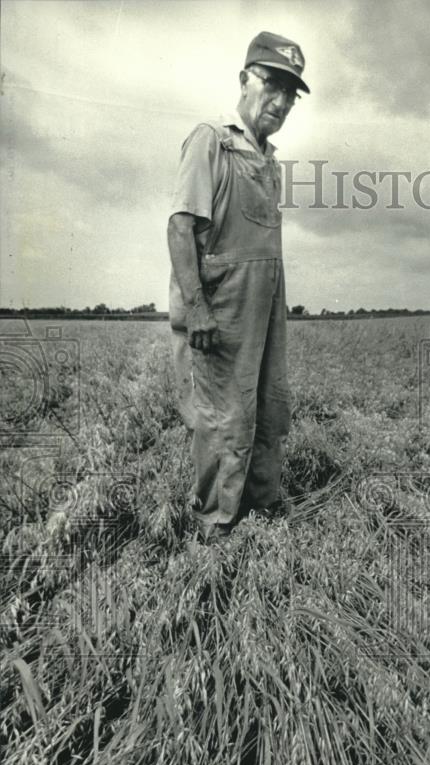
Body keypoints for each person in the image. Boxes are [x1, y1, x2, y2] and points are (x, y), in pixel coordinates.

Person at [167, 31, 309, 539]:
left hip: (267, 309)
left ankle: (261, 513)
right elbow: (181, 227)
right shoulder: (212, 140)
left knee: (268, 409)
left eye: (291, 94)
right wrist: (197, 310)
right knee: (224, 420)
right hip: (221, 312)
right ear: (244, 79)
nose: (282, 101)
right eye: (272, 84)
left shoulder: (268, 159)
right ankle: (215, 527)